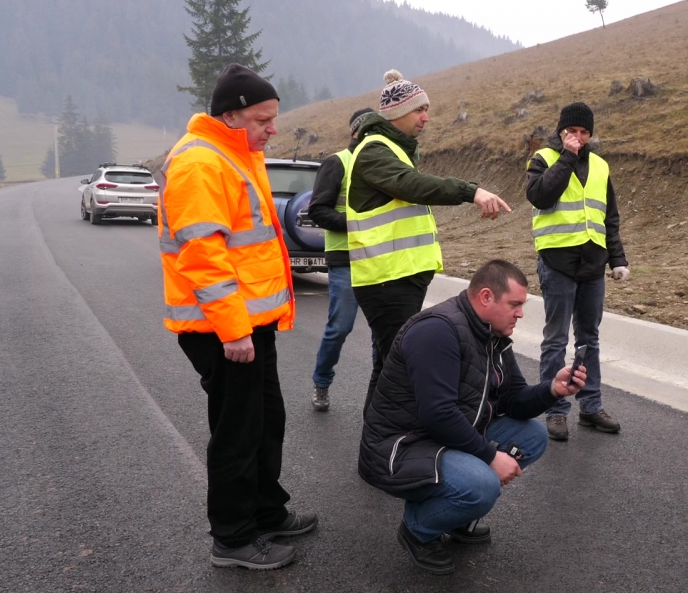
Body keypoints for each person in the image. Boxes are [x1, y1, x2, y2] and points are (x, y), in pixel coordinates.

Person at [158, 64, 318, 569]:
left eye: (274, 119)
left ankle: (267, 510)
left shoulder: (237, 153)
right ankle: (232, 538)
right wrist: (233, 330)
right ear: (231, 116)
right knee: (238, 432)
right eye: (263, 119)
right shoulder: (201, 164)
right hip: (223, 329)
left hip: (251, 324)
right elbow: (203, 255)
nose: (272, 129)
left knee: (268, 419)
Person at [358, 259, 586, 575]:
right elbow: (438, 414)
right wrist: (490, 456)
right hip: (400, 447)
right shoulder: (437, 330)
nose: (520, 313)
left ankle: (454, 515)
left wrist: (553, 390)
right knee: (481, 485)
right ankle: (418, 530)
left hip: (444, 435)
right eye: (515, 304)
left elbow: (515, 401)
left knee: (532, 436)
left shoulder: (491, 334)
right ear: (486, 297)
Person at [346, 70, 511, 413]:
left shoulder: (394, 149)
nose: (426, 117)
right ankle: (385, 443)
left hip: (400, 274)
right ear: (396, 114)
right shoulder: (374, 151)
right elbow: (413, 186)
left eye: (426, 109)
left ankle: (379, 441)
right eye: (419, 109)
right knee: (399, 365)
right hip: (386, 278)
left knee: (391, 363)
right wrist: (472, 192)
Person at [525, 102, 629, 441]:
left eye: (585, 133)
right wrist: (567, 158)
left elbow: (608, 216)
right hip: (557, 262)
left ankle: (591, 406)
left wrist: (618, 259)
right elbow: (540, 196)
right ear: (561, 131)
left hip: (593, 263)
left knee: (590, 339)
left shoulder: (600, 165)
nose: (579, 138)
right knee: (556, 339)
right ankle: (555, 410)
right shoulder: (543, 159)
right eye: (573, 132)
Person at [305, 107, 375, 412]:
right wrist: (357, 223)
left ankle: (383, 395)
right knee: (340, 327)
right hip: (345, 260)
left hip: (381, 260)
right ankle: (322, 382)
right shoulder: (337, 162)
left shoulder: (383, 164)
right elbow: (317, 210)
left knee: (385, 334)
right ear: (356, 131)